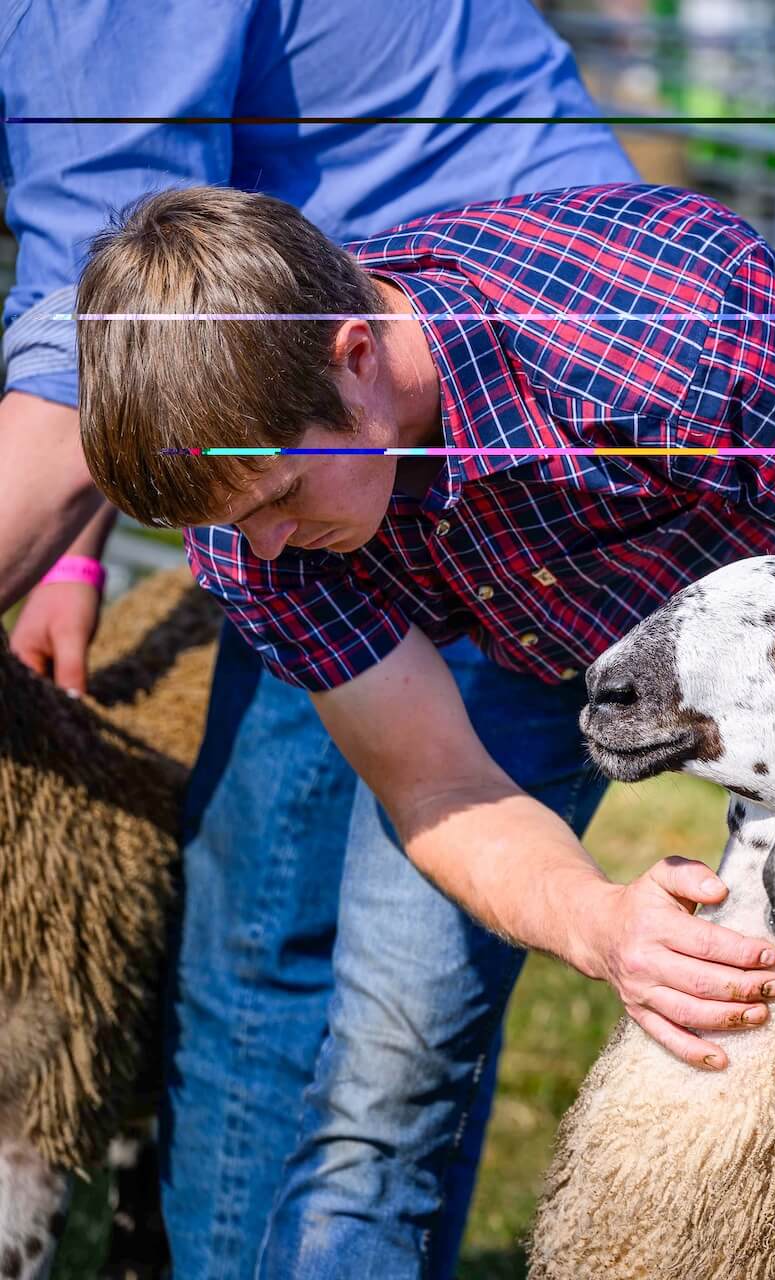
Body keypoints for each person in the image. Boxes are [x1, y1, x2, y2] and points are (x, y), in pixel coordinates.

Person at [76, 179, 775, 1277]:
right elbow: (437, 784)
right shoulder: (251, 525)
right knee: (383, 1079)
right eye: (232, 521)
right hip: (501, 637)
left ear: (353, 354)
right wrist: (599, 920)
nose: (260, 548)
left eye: (281, 497)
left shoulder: (678, 327)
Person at [0, 3, 643, 1272]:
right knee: (322, 954)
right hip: (333, 414)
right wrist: (73, 553)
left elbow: (94, 341)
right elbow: (121, 301)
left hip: (425, 420)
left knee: (342, 979)